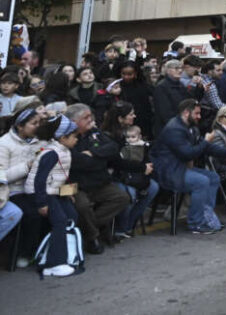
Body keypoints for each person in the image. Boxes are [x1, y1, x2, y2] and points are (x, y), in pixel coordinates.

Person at [150, 99, 226, 234]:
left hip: (179, 168)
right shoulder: (174, 129)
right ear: (186, 113)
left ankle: (207, 217)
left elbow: (206, 147)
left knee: (213, 177)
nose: (199, 116)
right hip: (169, 171)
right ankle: (196, 223)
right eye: (196, 113)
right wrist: (206, 142)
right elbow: (188, 154)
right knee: (201, 181)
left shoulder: (190, 127)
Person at [64, 103, 130, 254]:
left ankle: (87, 229)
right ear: (74, 122)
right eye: (85, 117)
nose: (90, 119)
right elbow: (76, 161)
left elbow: (112, 148)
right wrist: (99, 158)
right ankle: (93, 237)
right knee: (82, 206)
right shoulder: (66, 136)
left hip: (99, 182)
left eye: (90, 116)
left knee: (122, 197)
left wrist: (93, 153)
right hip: (73, 184)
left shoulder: (94, 132)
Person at [28, 115, 80, 277]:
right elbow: (40, 179)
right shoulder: (52, 153)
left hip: (54, 192)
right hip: (42, 193)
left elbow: (59, 176)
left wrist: (67, 193)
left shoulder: (62, 150)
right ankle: (54, 262)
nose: (76, 140)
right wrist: (41, 203)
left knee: (71, 215)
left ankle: (66, 253)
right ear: (63, 137)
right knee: (60, 221)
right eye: (74, 137)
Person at [1, 108, 43, 266]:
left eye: (39, 123)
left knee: (52, 205)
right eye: (34, 123)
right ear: (20, 126)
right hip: (12, 191)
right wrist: (27, 166)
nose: (38, 126)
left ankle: (43, 249)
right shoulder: (4, 144)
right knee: (33, 213)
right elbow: (2, 175)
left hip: (33, 187)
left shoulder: (37, 141)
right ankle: (24, 253)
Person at [112, 124, 157, 239]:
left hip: (140, 176)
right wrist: (142, 167)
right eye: (128, 137)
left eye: (133, 137)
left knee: (153, 188)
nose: (130, 139)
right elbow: (120, 163)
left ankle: (129, 225)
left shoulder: (145, 147)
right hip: (124, 177)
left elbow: (149, 162)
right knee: (130, 195)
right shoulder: (122, 146)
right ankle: (121, 227)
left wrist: (146, 168)